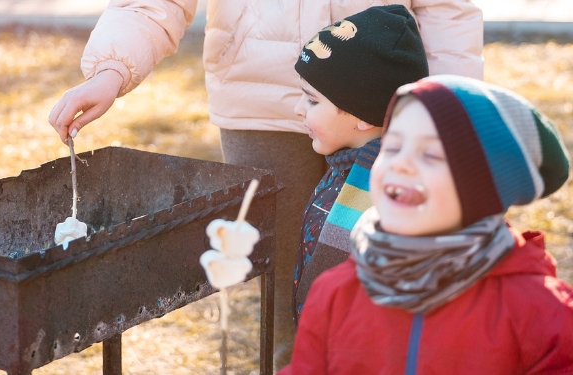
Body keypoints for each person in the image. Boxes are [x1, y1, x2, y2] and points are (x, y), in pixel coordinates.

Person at [47, 0, 484, 368]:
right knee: (290, 312)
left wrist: (447, 107)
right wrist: (111, 68)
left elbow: (447, 9)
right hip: (257, 107)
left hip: (390, 110)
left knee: (399, 293)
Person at [280, 74, 573, 374]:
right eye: (392, 147)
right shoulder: (336, 292)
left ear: (485, 189)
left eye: (431, 154)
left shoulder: (538, 312)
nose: (400, 163)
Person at [291, 5, 429, 324]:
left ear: (362, 115)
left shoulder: (385, 197)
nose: (299, 109)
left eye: (312, 100)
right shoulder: (343, 166)